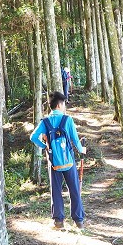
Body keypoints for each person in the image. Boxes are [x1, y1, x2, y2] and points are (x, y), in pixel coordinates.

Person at [30, 91, 86, 229]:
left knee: (56, 190)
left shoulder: (45, 122)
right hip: (69, 161)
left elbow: (33, 137)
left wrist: (46, 147)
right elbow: (75, 140)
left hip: (53, 162)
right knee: (74, 189)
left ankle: (59, 222)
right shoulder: (68, 120)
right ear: (60, 104)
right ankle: (78, 221)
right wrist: (81, 150)